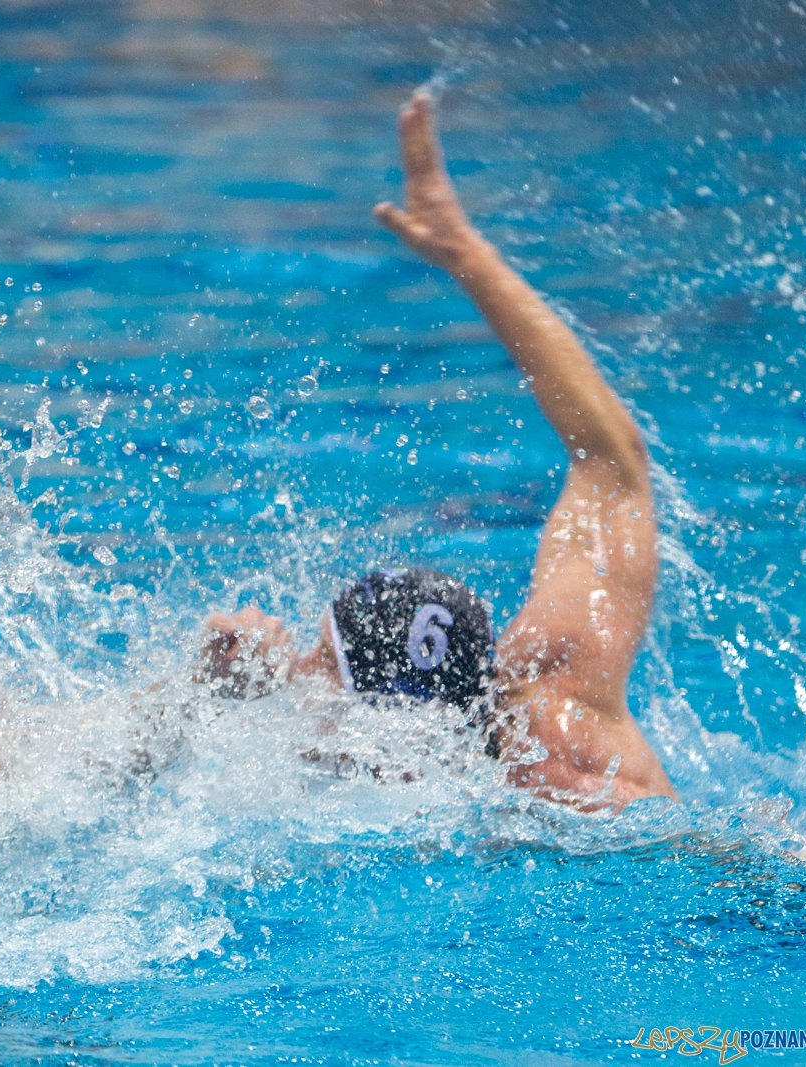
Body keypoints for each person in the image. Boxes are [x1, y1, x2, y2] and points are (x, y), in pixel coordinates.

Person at [197, 94, 677, 811]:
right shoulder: (551, 679)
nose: (299, 669)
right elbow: (614, 463)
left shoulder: (567, 783)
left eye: (323, 662)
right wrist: (462, 248)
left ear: (385, 723)